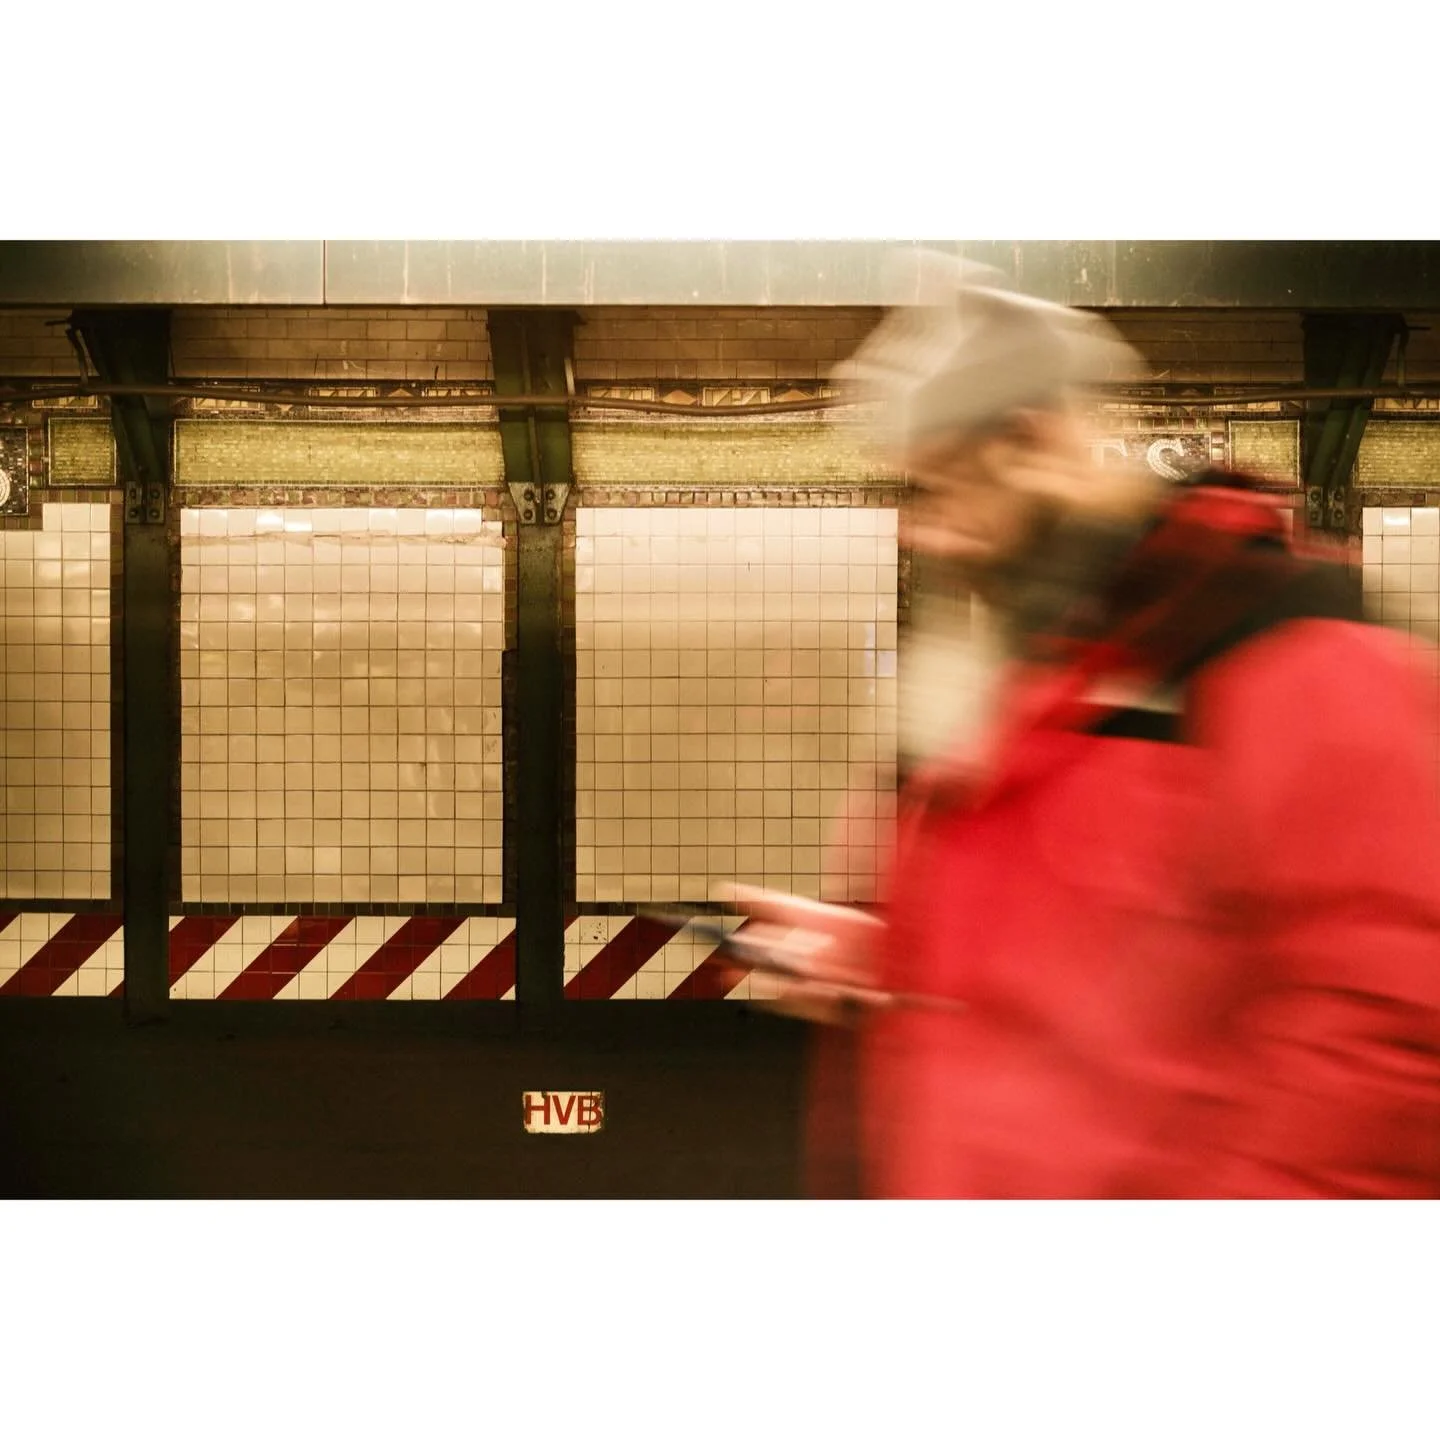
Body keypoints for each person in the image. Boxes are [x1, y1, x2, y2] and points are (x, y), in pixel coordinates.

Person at [726, 257, 1440, 1199]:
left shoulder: (1295, 663)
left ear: (1028, 442)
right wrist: (887, 955)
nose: (921, 535)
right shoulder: (1059, 674)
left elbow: (1393, 1042)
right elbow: (1113, 955)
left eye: (937, 491)